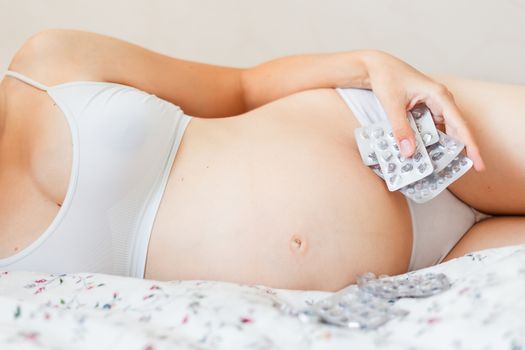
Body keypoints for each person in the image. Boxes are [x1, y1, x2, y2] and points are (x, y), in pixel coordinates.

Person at [0, 29, 523, 291]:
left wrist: (368, 65)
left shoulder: (48, 62)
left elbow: (243, 87)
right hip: (420, 275)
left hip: (387, 125)